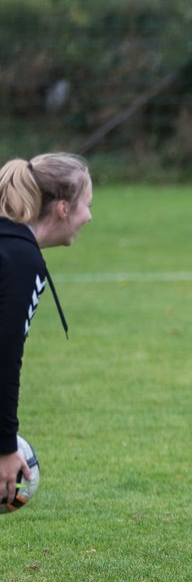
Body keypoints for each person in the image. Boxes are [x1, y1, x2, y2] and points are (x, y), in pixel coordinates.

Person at [0, 154, 93, 506]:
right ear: (63, 209)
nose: (90, 217)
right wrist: (5, 447)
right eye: (87, 205)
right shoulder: (20, 259)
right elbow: (4, 358)